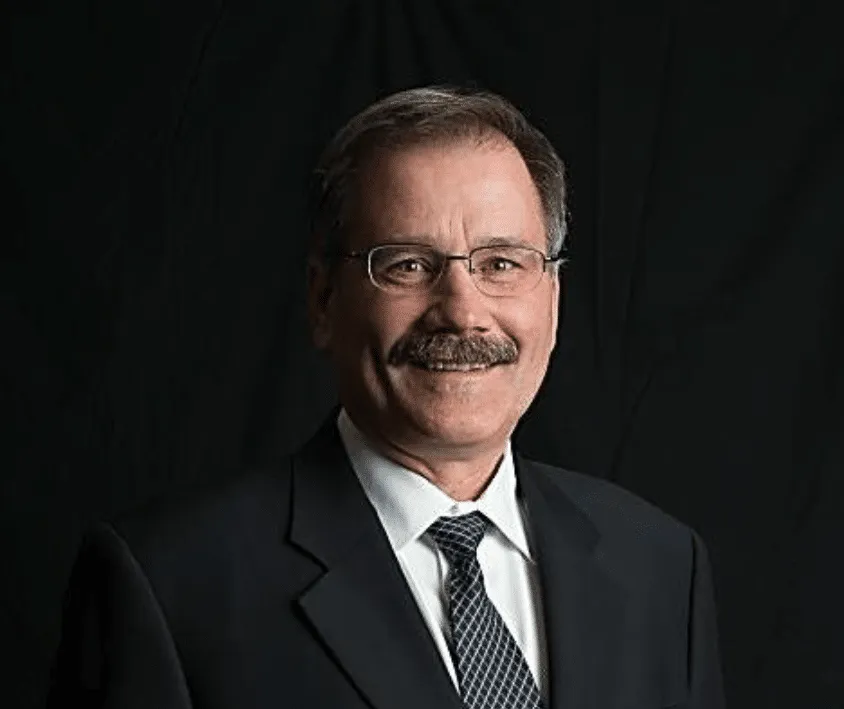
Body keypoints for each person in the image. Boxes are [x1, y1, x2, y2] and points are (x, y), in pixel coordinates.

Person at [47, 86, 725, 709]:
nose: (462, 312)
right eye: (406, 264)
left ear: (552, 300)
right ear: (323, 300)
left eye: (501, 264)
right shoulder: (169, 586)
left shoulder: (661, 569)